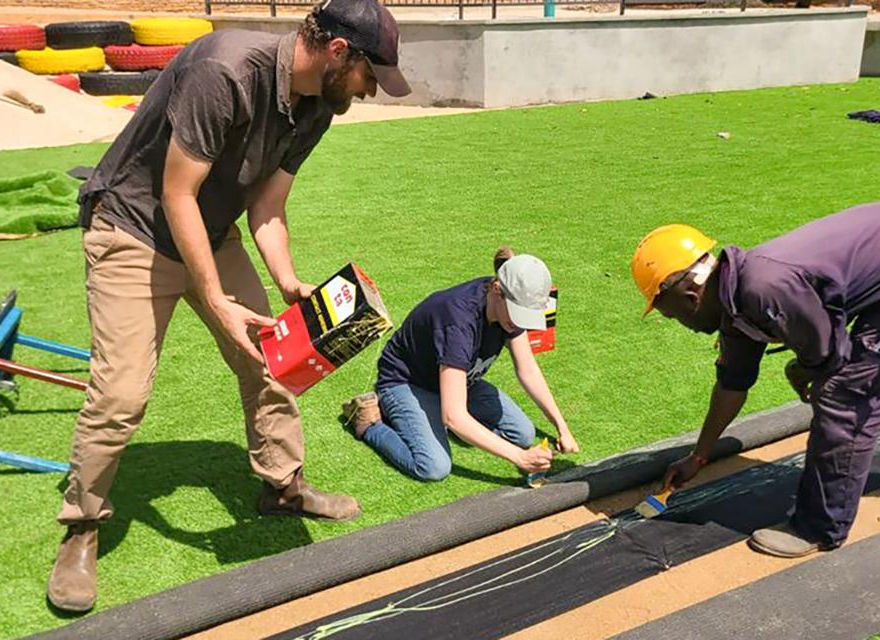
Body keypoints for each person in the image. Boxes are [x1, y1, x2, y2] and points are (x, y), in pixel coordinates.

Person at [47, 0, 411, 613]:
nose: (372, 90)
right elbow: (176, 192)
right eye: (370, 75)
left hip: (211, 232)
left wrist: (290, 283)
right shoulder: (226, 70)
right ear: (339, 52)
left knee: (275, 359)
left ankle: (283, 487)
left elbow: (267, 206)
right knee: (121, 395)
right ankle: (82, 526)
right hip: (132, 231)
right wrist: (215, 296)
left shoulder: (321, 102)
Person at [631, 202, 880, 558]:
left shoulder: (763, 288)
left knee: (847, 395)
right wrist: (699, 456)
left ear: (690, 297)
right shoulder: (735, 305)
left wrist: (809, 367)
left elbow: (830, 358)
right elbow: (732, 385)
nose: (681, 325)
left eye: (673, 316)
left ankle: (820, 527)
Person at [342, 249, 579, 481]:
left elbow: (528, 370)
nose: (520, 323)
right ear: (497, 290)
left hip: (458, 379)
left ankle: (439, 419)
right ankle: (368, 422)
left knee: (522, 434)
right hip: (406, 382)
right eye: (519, 314)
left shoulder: (507, 307)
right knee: (434, 466)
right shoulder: (458, 323)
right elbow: (453, 416)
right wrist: (519, 458)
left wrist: (562, 428)